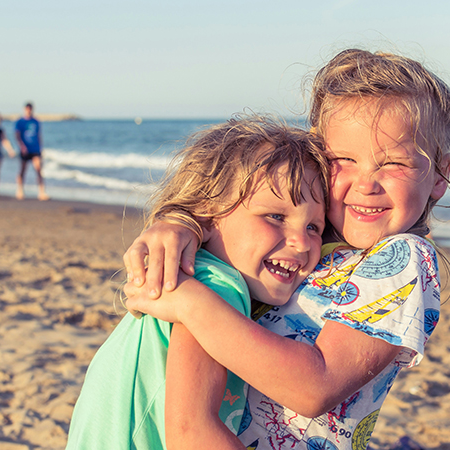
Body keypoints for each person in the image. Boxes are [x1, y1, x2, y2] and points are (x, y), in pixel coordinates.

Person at [122, 49, 450, 450]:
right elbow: (241, 212)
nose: (366, 183)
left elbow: (314, 387)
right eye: (343, 159)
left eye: (393, 165)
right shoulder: (314, 240)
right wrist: (184, 224)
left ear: (440, 174)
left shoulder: (403, 259)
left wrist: (191, 303)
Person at [65, 116, 329, 450]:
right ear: (207, 215)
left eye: (314, 228)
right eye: (275, 216)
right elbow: (192, 433)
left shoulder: (198, 276)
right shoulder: (216, 286)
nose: (302, 244)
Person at [14, 102, 49, 200]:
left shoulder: (36, 122)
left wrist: (41, 148)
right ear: (24, 110)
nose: (29, 111)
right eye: (27, 109)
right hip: (25, 150)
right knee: (23, 170)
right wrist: (21, 146)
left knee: (38, 170)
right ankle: (20, 190)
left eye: (30, 109)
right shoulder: (20, 122)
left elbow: (39, 135)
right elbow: (17, 135)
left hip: (35, 149)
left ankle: (42, 192)